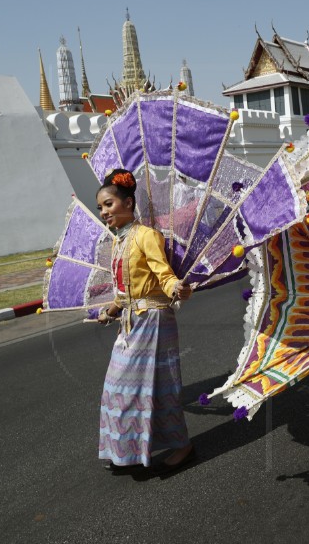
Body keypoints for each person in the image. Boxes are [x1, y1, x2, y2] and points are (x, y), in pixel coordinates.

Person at [95, 168, 195, 474]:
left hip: (154, 321)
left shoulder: (146, 235)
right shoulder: (118, 242)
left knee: (158, 387)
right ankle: (127, 450)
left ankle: (182, 446)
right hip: (130, 322)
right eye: (100, 207)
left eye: (108, 204)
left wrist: (176, 287)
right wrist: (112, 309)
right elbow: (124, 287)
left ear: (128, 203)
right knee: (120, 388)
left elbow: (162, 273)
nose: (104, 212)